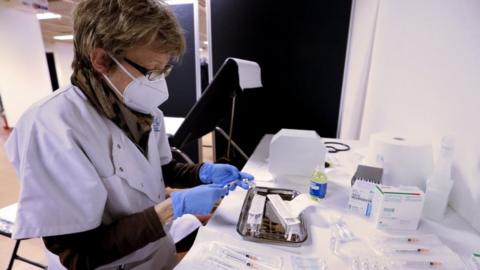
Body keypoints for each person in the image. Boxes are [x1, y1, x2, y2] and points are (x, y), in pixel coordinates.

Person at [4, 0, 254, 269]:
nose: (158, 83)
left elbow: (160, 169)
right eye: (150, 72)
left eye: (164, 70)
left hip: (156, 249)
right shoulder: (51, 126)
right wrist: (173, 207)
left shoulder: (145, 111)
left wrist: (202, 172)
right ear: (101, 59)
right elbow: (79, 254)